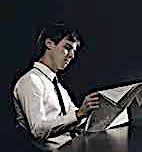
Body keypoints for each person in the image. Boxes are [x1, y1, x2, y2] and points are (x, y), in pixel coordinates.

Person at [10, 22, 100, 151]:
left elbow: (73, 118)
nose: (72, 56)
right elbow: (38, 130)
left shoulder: (59, 87)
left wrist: (96, 112)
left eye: (74, 51)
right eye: (68, 48)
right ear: (49, 44)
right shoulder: (30, 81)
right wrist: (79, 113)